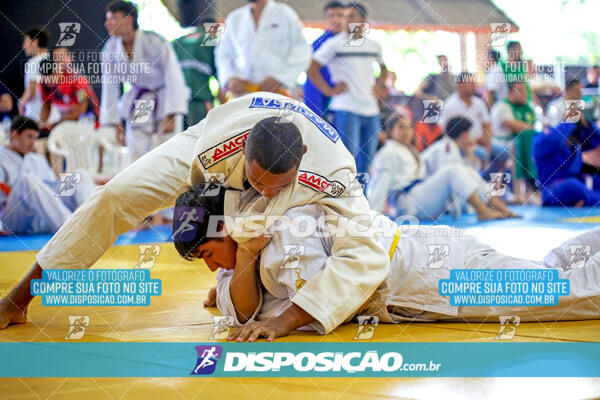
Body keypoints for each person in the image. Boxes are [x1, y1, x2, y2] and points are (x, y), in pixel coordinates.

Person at [0, 93, 390, 336]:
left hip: (297, 162)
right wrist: (230, 266)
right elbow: (206, 207)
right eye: (258, 181)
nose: (266, 192)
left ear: (302, 159)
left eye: (277, 185)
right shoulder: (219, 149)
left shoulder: (335, 172)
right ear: (245, 154)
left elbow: (366, 254)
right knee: (116, 195)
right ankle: (20, 298)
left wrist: (284, 320)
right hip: (214, 133)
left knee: (301, 224)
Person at [173, 184, 600, 341]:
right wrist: (243, 258)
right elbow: (243, 309)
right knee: (551, 274)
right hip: (426, 263)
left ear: (226, 229)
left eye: (208, 255)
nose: (213, 270)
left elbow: (336, 297)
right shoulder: (245, 251)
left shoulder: (287, 226)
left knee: (565, 293)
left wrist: (279, 320)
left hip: (433, 274)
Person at [368, 115, 514, 220]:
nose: (407, 131)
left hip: (424, 198)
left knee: (467, 171)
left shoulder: (408, 150)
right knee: (452, 170)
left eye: (409, 127)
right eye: (401, 127)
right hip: (408, 203)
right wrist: (375, 217)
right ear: (390, 132)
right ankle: (482, 211)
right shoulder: (387, 153)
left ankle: (498, 206)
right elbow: (379, 184)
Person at [101, 0, 189, 160]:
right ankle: (137, 184)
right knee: (136, 147)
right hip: (140, 99)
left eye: (113, 18)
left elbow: (173, 76)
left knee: (167, 147)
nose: (107, 23)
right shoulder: (110, 49)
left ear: (128, 20)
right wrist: (115, 122)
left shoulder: (155, 41)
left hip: (164, 98)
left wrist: (172, 113)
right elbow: (110, 86)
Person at [306, 2, 388, 174]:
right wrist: (329, 90)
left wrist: (380, 86)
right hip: (345, 109)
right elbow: (311, 67)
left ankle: (362, 199)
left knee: (366, 165)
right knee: (346, 161)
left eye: (352, 16)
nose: (346, 20)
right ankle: (345, 199)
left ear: (364, 21)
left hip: (371, 111)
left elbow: (384, 68)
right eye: (345, 17)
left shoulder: (374, 45)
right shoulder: (334, 44)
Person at [0, 116, 94, 235]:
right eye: (29, 137)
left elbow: (52, 188)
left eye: (35, 138)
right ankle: (71, 229)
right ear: (14, 134)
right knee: (26, 180)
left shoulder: (36, 158)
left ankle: (93, 221)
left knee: (81, 174)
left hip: (41, 218)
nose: (33, 142)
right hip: (15, 216)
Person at [215, 0, 311, 98]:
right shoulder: (235, 18)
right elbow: (223, 54)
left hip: (278, 93)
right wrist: (230, 78)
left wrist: (279, 78)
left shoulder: (286, 15)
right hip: (242, 94)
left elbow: (302, 51)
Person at [438, 72, 507, 175]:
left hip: (481, 142)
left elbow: (487, 125)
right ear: (460, 85)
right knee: (482, 154)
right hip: (462, 145)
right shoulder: (449, 105)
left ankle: (484, 179)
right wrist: (469, 142)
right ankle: (476, 181)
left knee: (504, 153)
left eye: (473, 82)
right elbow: (446, 132)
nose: (474, 85)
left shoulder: (479, 103)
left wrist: (487, 143)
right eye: (470, 82)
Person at [534, 117, 600, 207]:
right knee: (571, 185)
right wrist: (571, 119)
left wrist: (587, 124)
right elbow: (555, 138)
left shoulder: (575, 144)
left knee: (595, 181)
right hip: (554, 189)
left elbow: (596, 140)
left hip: (578, 183)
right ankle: (588, 199)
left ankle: (583, 200)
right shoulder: (542, 140)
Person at [490, 81, 538, 202]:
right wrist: (531, 128)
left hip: (524, 143)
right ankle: (512, 194)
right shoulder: (501, 106)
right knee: (516, 148)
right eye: (521, 91)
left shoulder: (530, 106)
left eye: (525, 91)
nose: (524, 94)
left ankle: (531, 190)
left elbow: (538, 125)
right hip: (500, 143)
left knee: (530, 146)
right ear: (511, 92)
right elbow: (512, 125)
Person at [38, 48, 99, 132]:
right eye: (57, 58)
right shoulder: (44, 83)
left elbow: (82, 109)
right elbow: (46, 105)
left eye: (62, 58)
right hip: (66, 121)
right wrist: (42, 124)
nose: (49, 82)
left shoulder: (78, 80)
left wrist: (55, 124)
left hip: (88, 120)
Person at [172, 19, 218, 128]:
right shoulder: (210, 41)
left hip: (176, 104)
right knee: (198, 138)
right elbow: (220, 75)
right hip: (200, 102)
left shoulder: (177, 42)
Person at [303, 1, 345, 117]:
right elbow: (309, 70)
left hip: (345, 99)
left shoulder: (352, 43)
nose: (336, 19)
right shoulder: (318, 44)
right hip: (319, 96)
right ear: (326, 19)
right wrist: (329, 91)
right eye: (331, 15)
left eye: (340, 15)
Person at [18, 28, 59, 124]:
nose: (24, 46)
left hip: (37, 117)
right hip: (54, 116)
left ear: (35, 41)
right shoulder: (52, 59)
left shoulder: (34, 62)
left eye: (26, 41)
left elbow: (32, 89)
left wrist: (21, 103)